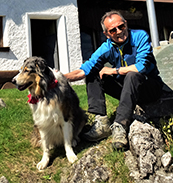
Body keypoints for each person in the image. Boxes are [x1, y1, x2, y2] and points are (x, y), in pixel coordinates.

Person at [65, 11, 163, 150]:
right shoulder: (107, 47)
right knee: (93, 73)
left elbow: (140, 67)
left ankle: (120, 126)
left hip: (149, 88)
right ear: (107, 34)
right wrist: (59, 78)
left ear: (126, 24)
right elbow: (84, 70)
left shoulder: (140, 36)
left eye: (121, 27)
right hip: (127, 90)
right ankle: (102, 122)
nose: (119, 32)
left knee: (132, 75)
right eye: (113, 30)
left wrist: (113, 70)